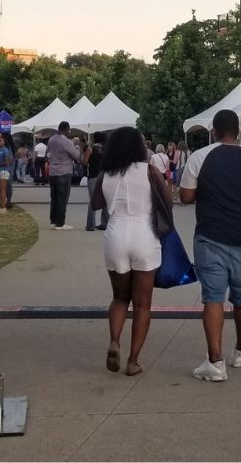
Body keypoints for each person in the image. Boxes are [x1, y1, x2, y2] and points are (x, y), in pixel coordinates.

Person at [180, 109, 241, 382]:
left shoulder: (200, 157)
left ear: (214, 131)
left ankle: (215, 361)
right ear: (239, 130)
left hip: (210, 235)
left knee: (213, 297)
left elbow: (185, 196)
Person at [91, 126, 168, 377]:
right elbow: (166, 201)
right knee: (143, 304)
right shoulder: (150, 171)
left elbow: (96, 204)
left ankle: (115, 341)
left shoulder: (107, 174)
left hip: (116, 234)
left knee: (120, 297)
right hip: (144, 235)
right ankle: (133, 361)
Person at [48, 121, 83, 230]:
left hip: (52, 171)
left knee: (54, 198)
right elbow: (77, 156)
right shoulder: (66, 141)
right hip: (64, 172)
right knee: (62, 198)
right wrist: (77, 145)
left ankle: (53, 221)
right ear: (67, 129)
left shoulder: (51, 139)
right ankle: (61, 223)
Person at [84, 131, 108, 231]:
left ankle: (91, 224)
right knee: (106, 199)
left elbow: (84, 162)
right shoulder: (108, 149)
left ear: (94, 139)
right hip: (105, 176)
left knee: (93, 200)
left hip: (93, 176)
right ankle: (105, 223)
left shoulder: (90, 149)